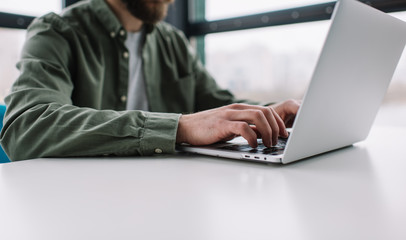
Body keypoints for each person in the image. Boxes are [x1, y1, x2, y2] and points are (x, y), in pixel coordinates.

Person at [0, 0, 300, 161]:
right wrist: (179, 127)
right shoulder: (58, 31)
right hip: (83, 205)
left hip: (165, 197)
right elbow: (26, 125)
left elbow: (218, 107)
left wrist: (269, 114)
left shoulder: (173, 41)